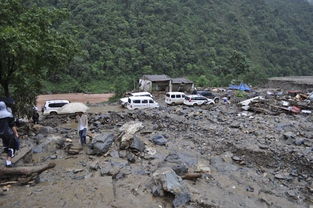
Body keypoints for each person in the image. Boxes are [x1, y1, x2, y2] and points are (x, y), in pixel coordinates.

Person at [0, 101, 19, 167]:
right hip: (9, 134)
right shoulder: (8, 115)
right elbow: (12, 125)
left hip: (2, 135)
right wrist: (16, 133)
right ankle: (8, 162)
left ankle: (7, 161)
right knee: (12, 147)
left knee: (6, 147)